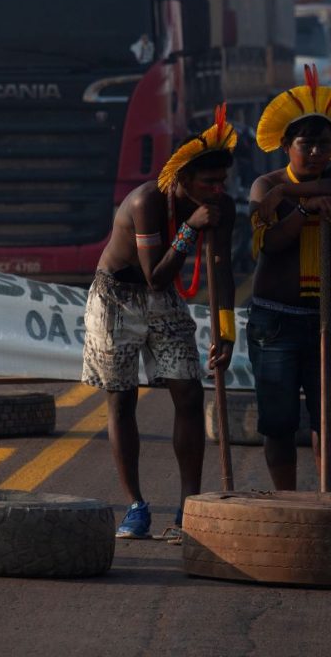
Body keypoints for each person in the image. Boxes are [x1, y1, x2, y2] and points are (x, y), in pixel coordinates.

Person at [83, 106, 237, 543]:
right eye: (208, 183)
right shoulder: (146, 201)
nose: (216, 190)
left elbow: (222, 272)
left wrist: (226, 332)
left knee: (188, 391)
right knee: (122, 400)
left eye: (222, 182)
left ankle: (188, 507)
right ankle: (135, 505)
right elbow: (154, 275)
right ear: (183, 181)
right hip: (116, 295)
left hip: (161, 299)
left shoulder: (220, 207)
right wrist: (189, 227)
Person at [248, 66, 331, 492]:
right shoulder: (264, 184)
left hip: (328, 321)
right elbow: (271, 244)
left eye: (323, 143)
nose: (315, 151)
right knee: (278, 426)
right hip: (275, 322)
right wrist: (304, 209)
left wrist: (292, 196)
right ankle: (287, 503)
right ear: (285, 146)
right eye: (305, 143)